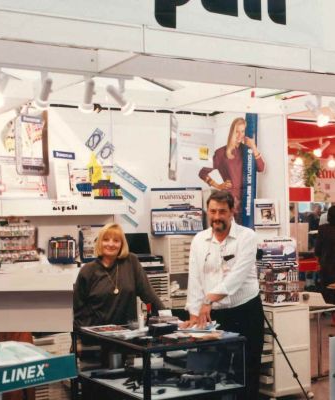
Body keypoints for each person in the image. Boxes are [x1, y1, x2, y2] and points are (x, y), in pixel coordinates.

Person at [184, 190, 263, 399]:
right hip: (214, 315)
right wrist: (193, 314)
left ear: (232, 212)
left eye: (222, 211)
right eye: (212, 211)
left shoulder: (247, 237)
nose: (217, 216)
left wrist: (208, 299)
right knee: (210, 373)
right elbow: (194, 279)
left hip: (245, 312)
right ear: (207, 212)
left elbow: (236, 278)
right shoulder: (199, 240)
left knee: (246, 372)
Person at [73, 223, 165, 335]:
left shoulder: (131, 262)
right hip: (98, 337)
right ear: (99, 242)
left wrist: (168, 318)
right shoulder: (87, 270)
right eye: (106, 240)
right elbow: (78, 311)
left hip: (128, 336)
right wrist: (81, 339)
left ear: (122, 244)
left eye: (116, 241)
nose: (111, 244)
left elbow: (149, 295)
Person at [198, 117, 266, 222]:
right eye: (237, 131)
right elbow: (202, 173)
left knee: (245, 234)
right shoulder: (221, 153)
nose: (240, 135)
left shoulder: (248, 151)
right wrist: (218, 185)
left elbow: (261, 168)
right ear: (232, 132)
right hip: (229, 200)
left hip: (247, 199)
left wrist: (253, 147)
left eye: (243, 131)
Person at [315, 205, 335, 326]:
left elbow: (317, 249)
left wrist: (319, 260)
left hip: (326, 264)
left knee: (327, 289)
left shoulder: (323, 230)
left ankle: (332, 317)